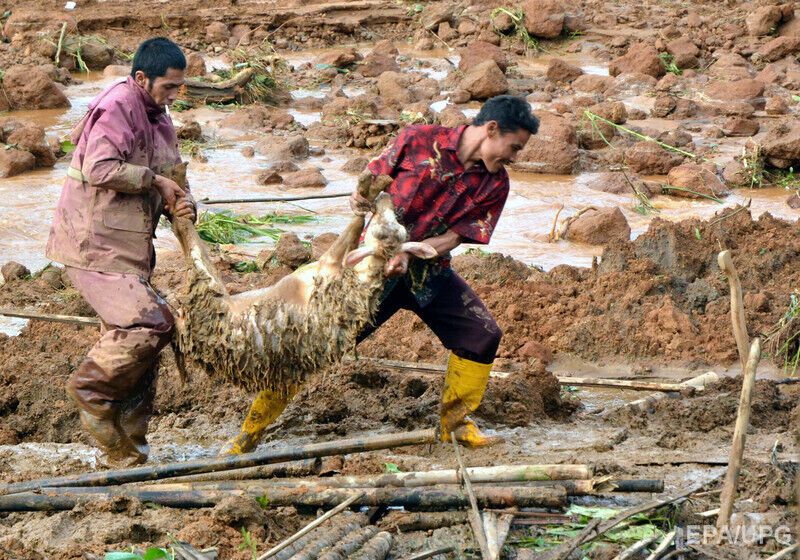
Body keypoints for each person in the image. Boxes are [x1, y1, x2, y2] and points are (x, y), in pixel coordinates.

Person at [223, 95, 538, 454]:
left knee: (482, 335)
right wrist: (361, 199)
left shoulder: (495, 184)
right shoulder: (418, 139)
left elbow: (455, 236)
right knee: (313, 346)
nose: (514, 157)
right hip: (370, 273)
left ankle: (454, 425)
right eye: (514, 147)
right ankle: (249, 433)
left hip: (427, 273)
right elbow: (370, 184)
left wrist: (409, 251)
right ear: (492, 129)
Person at [45, 37, 196, 466]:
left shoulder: (160, 117)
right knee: (151, 323)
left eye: (179, 87)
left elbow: (173, 176)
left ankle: (129, 452)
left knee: (140, 352)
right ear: (142, 77)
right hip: (93, 243)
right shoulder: (117, 107)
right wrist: (155, 182)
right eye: (168, 87)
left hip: (130, 246)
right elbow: (99, 167)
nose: (174, 95)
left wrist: (184, 202)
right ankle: (90, 391)